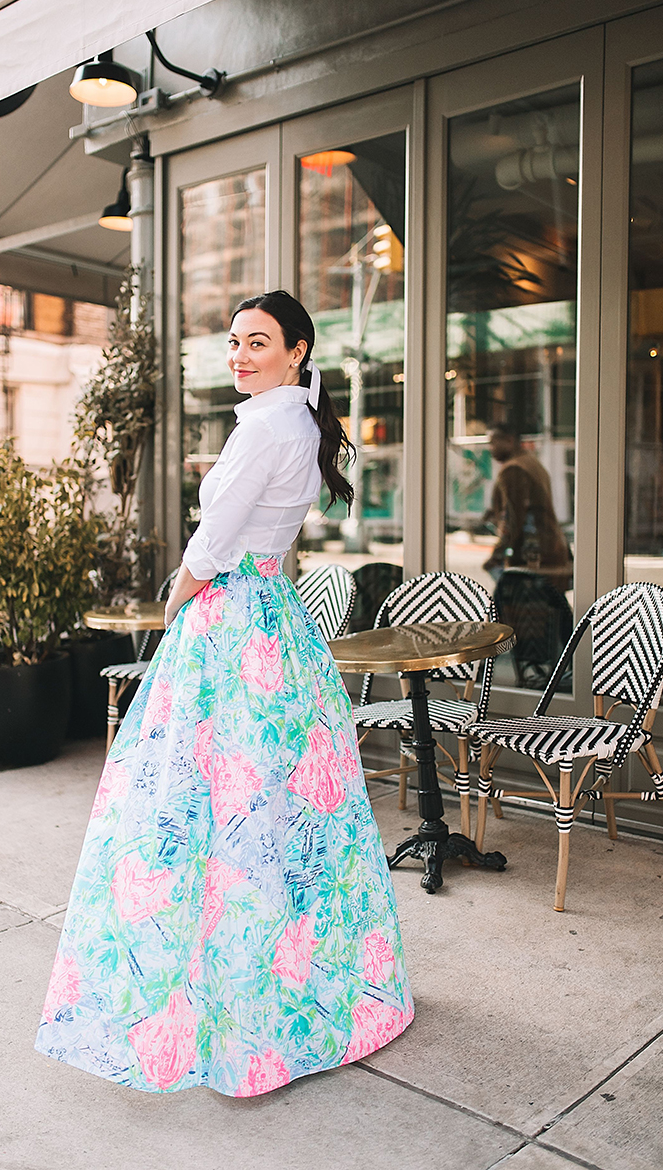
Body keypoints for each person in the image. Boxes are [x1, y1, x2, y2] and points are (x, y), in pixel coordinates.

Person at [36, 289, 413, 1097]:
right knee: (283, 813)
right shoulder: (304, 424)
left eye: (259, 341)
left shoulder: (266, 426)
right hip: (277, 620)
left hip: (230, 621)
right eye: (235, 342)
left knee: (199, 809)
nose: (240, 355)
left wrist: (178, 597)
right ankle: (303, 989)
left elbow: (214, 540)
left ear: (298, 351)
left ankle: (230, 1009)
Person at [483, 423, 573, 593]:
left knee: (516, 611)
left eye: (493, 442)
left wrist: (497, 555)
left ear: (510, 440)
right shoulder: (531, 463)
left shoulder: (514, 469)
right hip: (549, 551)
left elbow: (513, 518)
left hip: (531, 556)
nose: (490, 448)